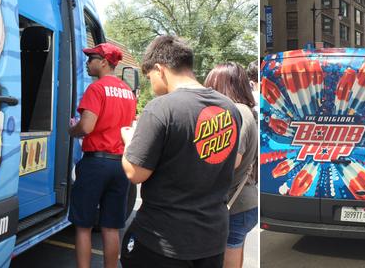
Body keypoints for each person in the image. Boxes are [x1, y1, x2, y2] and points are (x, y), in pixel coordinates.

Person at [120, 35, 242, 268]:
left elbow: (134, 173)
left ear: (160, 69)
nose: (151, 85)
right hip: (212, 238)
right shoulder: (229, 108)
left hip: (164, 240)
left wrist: (129, 140)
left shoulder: (161, 107)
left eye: (149, 77)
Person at [69, 43, 137, 268]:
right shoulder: (128, 92)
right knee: (111, 227)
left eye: (91, 59)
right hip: (119, 165)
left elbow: (86, 127)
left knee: (83, 225)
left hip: (95, 163)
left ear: (104, 62)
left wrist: (72, 129)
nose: (88, 63)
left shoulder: (96, 89)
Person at [204, 63, 258, 268]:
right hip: (243, 200)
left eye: (212, 86)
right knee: (236, 251)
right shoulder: (245, 110)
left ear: (226, 86)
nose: (209, 91)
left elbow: (232, 160)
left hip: (236, 203)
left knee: (229, 254)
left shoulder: (239, 112)